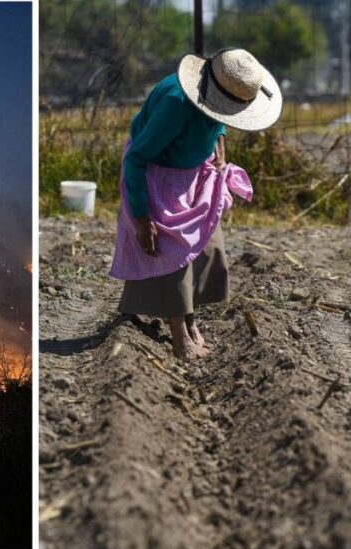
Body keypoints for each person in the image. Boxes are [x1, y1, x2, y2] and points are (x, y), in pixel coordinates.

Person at [110, 48, 280, 362]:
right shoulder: (177, 105)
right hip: (157, 172)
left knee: (207, 245)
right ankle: (178, 335)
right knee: (173, 249)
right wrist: (143, 216)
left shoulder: (223, 96)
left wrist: (220, 149)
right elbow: (136, 160)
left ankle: (189, 318)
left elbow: (222, 122)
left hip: (194, 171)